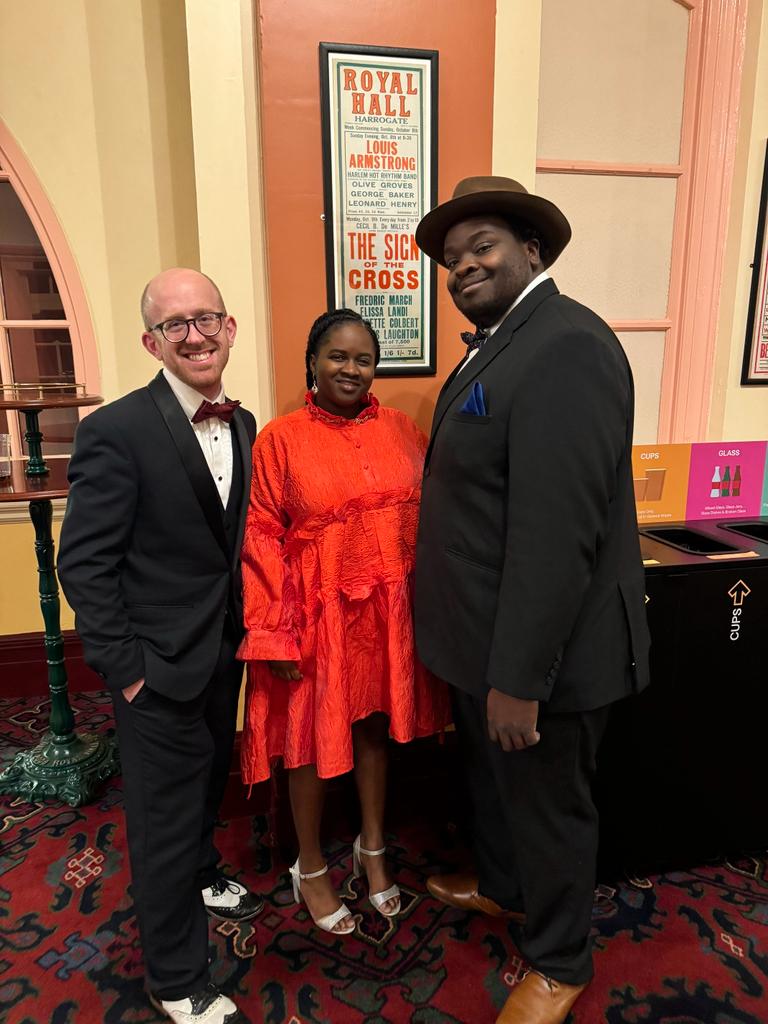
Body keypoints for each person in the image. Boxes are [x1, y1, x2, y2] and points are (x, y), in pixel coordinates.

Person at [413, 177, 651, 1024]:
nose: (462, 265)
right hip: (482, 643)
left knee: (549, 809)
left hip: (544, 658)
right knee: (497, 791)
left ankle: (559, 961)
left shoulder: (566, 346)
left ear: (533, 252)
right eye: (450, 258)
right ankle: (507, 891)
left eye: (481, 246)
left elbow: (557, 535)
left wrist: (519, 675)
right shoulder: (497, 343)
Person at [58, 268, 261, 1024]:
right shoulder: (116, 429)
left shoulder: (241, 424)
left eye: (207, 318)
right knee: (163, 821)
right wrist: (128, 671)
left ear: (230, 328)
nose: (195, 334)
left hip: (219, 653)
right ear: (152, 341)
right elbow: (83, 564)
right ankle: (176, 979)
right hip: (153, 666)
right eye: (175, 325)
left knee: (206, 782)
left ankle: (207, 871)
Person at [238, 308, 450, 935]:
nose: (350, 368)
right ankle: (310, 867)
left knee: (374, 731)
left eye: (362, 358)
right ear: (312, 361)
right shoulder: (279, 439)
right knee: (306, 741)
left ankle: (373, 849)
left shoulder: (405, 430)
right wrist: (272, 630)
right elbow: (260, 538)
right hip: (311, 620)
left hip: (388, 619)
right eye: (337, 355)